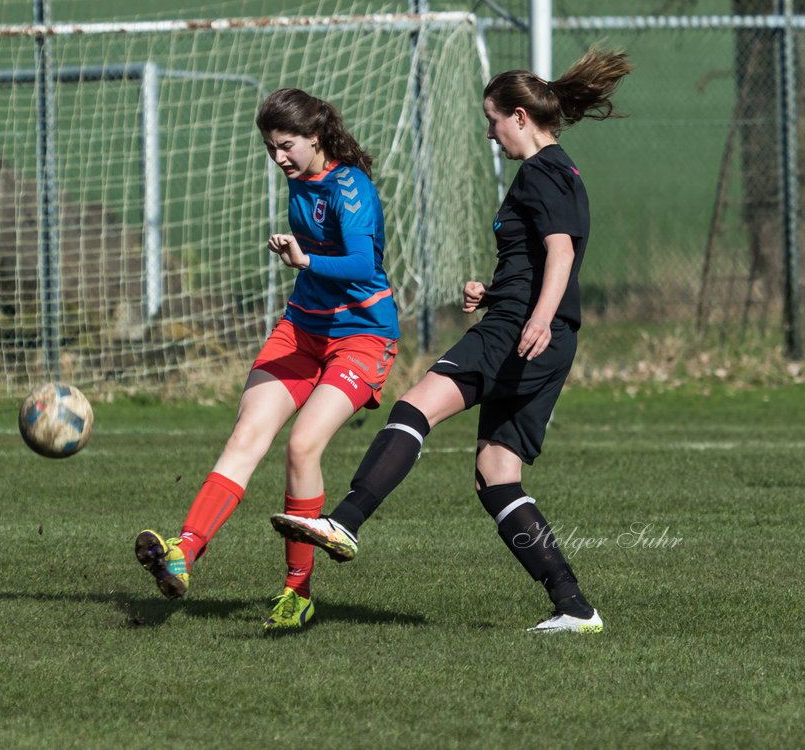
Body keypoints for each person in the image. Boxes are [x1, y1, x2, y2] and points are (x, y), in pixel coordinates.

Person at [271, 48, 633, 634]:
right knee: (497, 473)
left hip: (522, 330)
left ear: (519, 116)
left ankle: (346, 521)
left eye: (492, 121)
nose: (490, 135)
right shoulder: (557, 171)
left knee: (415, 405)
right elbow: (540, 257)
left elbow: (562, 251)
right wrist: (491, 291)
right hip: (537, 328)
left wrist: (533, 316)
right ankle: (574, 606)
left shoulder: (542, 170)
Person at [135, 88, 400, 631]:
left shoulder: (351, 188)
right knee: (246, 435)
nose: (277, 157)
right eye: (270, 148)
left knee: (302, 446)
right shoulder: (298, 178)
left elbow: (359, 265)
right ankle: (183, 552)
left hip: (362, 335)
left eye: (286, 146)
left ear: (316, 137)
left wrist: (305, 259)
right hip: (301, 328)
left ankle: (297, 593)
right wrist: (302, 262)